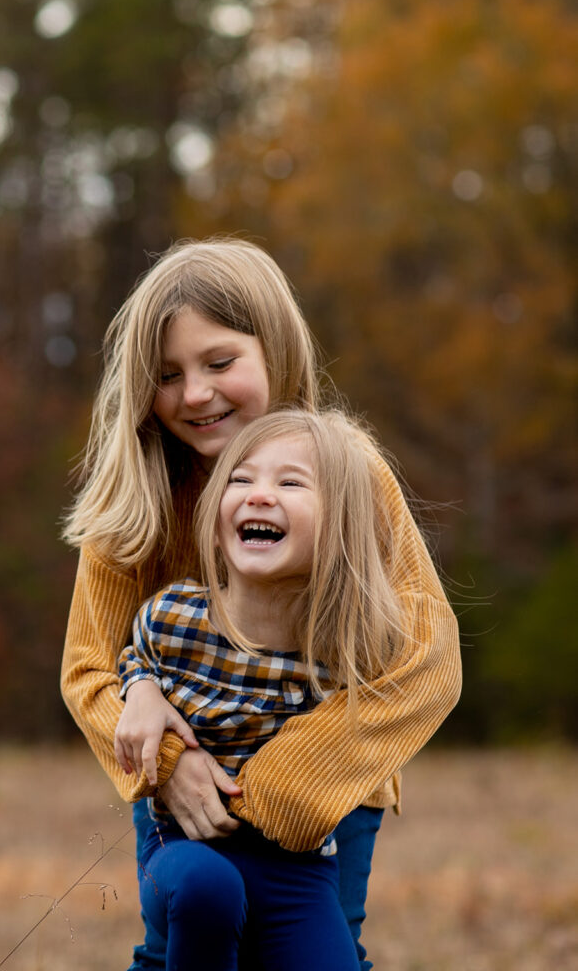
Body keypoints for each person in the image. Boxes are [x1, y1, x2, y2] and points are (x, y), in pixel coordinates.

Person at [61, 238, 462, 970]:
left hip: (330, 790)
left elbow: (427, 658)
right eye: (167, 375)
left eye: (219, 363)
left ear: (275, 350)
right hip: (186, 790)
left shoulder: (350, 473)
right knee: (183, 946)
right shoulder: (134, 500)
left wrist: (293, 779)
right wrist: (170, 763)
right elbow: (90, 668)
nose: (194, 393)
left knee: (324, 951)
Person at [117, 409, 418, 971]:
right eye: (240, 479)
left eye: (291, 483)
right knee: (209, 889)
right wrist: (142, 691)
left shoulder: (347, 643)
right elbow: (135, 659)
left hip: (297, 870)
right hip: (183, 848)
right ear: (214, 516)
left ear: (341, 524)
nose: (259, 495)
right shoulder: (172, 615)